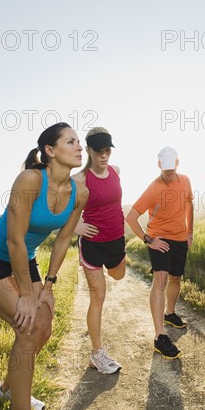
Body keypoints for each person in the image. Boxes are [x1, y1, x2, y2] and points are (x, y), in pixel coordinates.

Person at [0, 123, 89, 410]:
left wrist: (47, 285)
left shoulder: (80, 192)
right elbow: (14, 240)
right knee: (29, 326)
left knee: (44, 325)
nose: (80, 147)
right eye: (70, 141)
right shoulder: (30, 181)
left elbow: (64, 239)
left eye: (79, 142)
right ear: (50, 150)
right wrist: (24, 293)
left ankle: (9, 389)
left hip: (28, 262)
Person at [126, 147, 194, 359]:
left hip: (180, 238)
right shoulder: (153, 189)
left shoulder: (185, 180)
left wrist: (190, 231)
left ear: (177, 163)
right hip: (160, 239)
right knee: (161, 279)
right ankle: (160, 335)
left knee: (175, 278)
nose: (168, 173)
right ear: (158, 166)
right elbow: (130, 217)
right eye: (165, 170)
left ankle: (170, 313)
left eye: (171, 169)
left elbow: (189, 204)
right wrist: (149, 240)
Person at [73, 127, 125, 374]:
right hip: (92, 244)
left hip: (116, 241)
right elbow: (55, 207)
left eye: (108, 150)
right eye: (99, 151)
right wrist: (75, 225)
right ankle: (97, 353)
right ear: (88, 150)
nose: (104, 156)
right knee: (98, 296)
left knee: (118, 276)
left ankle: (97, 352)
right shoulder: (79, 180)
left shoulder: (115, 171)